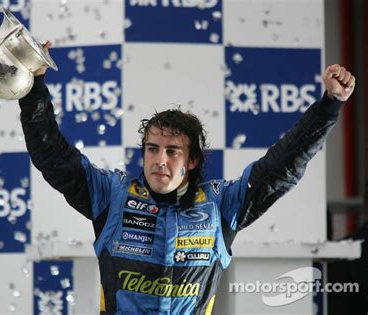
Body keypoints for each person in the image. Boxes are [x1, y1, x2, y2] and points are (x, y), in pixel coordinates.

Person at [18, 42, 355, 315]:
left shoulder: (222, 204)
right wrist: (33, 91)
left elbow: (282, 166)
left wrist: (329, 105)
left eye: (172, 151)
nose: (159, 160)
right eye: (152, 149)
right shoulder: (112, 195)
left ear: (192, 160)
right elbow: (53, 157)